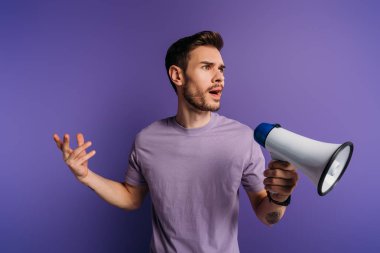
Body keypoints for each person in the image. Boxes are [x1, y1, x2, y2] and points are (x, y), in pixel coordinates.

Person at [53, 31, 298, 253]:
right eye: (207, 67)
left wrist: (280, 197)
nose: (219, 78)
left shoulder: (243, 139)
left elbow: (266, 215)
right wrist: (86, 177)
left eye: (221, 69)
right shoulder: (147, 140)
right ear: (177, 75)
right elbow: (131, 197)